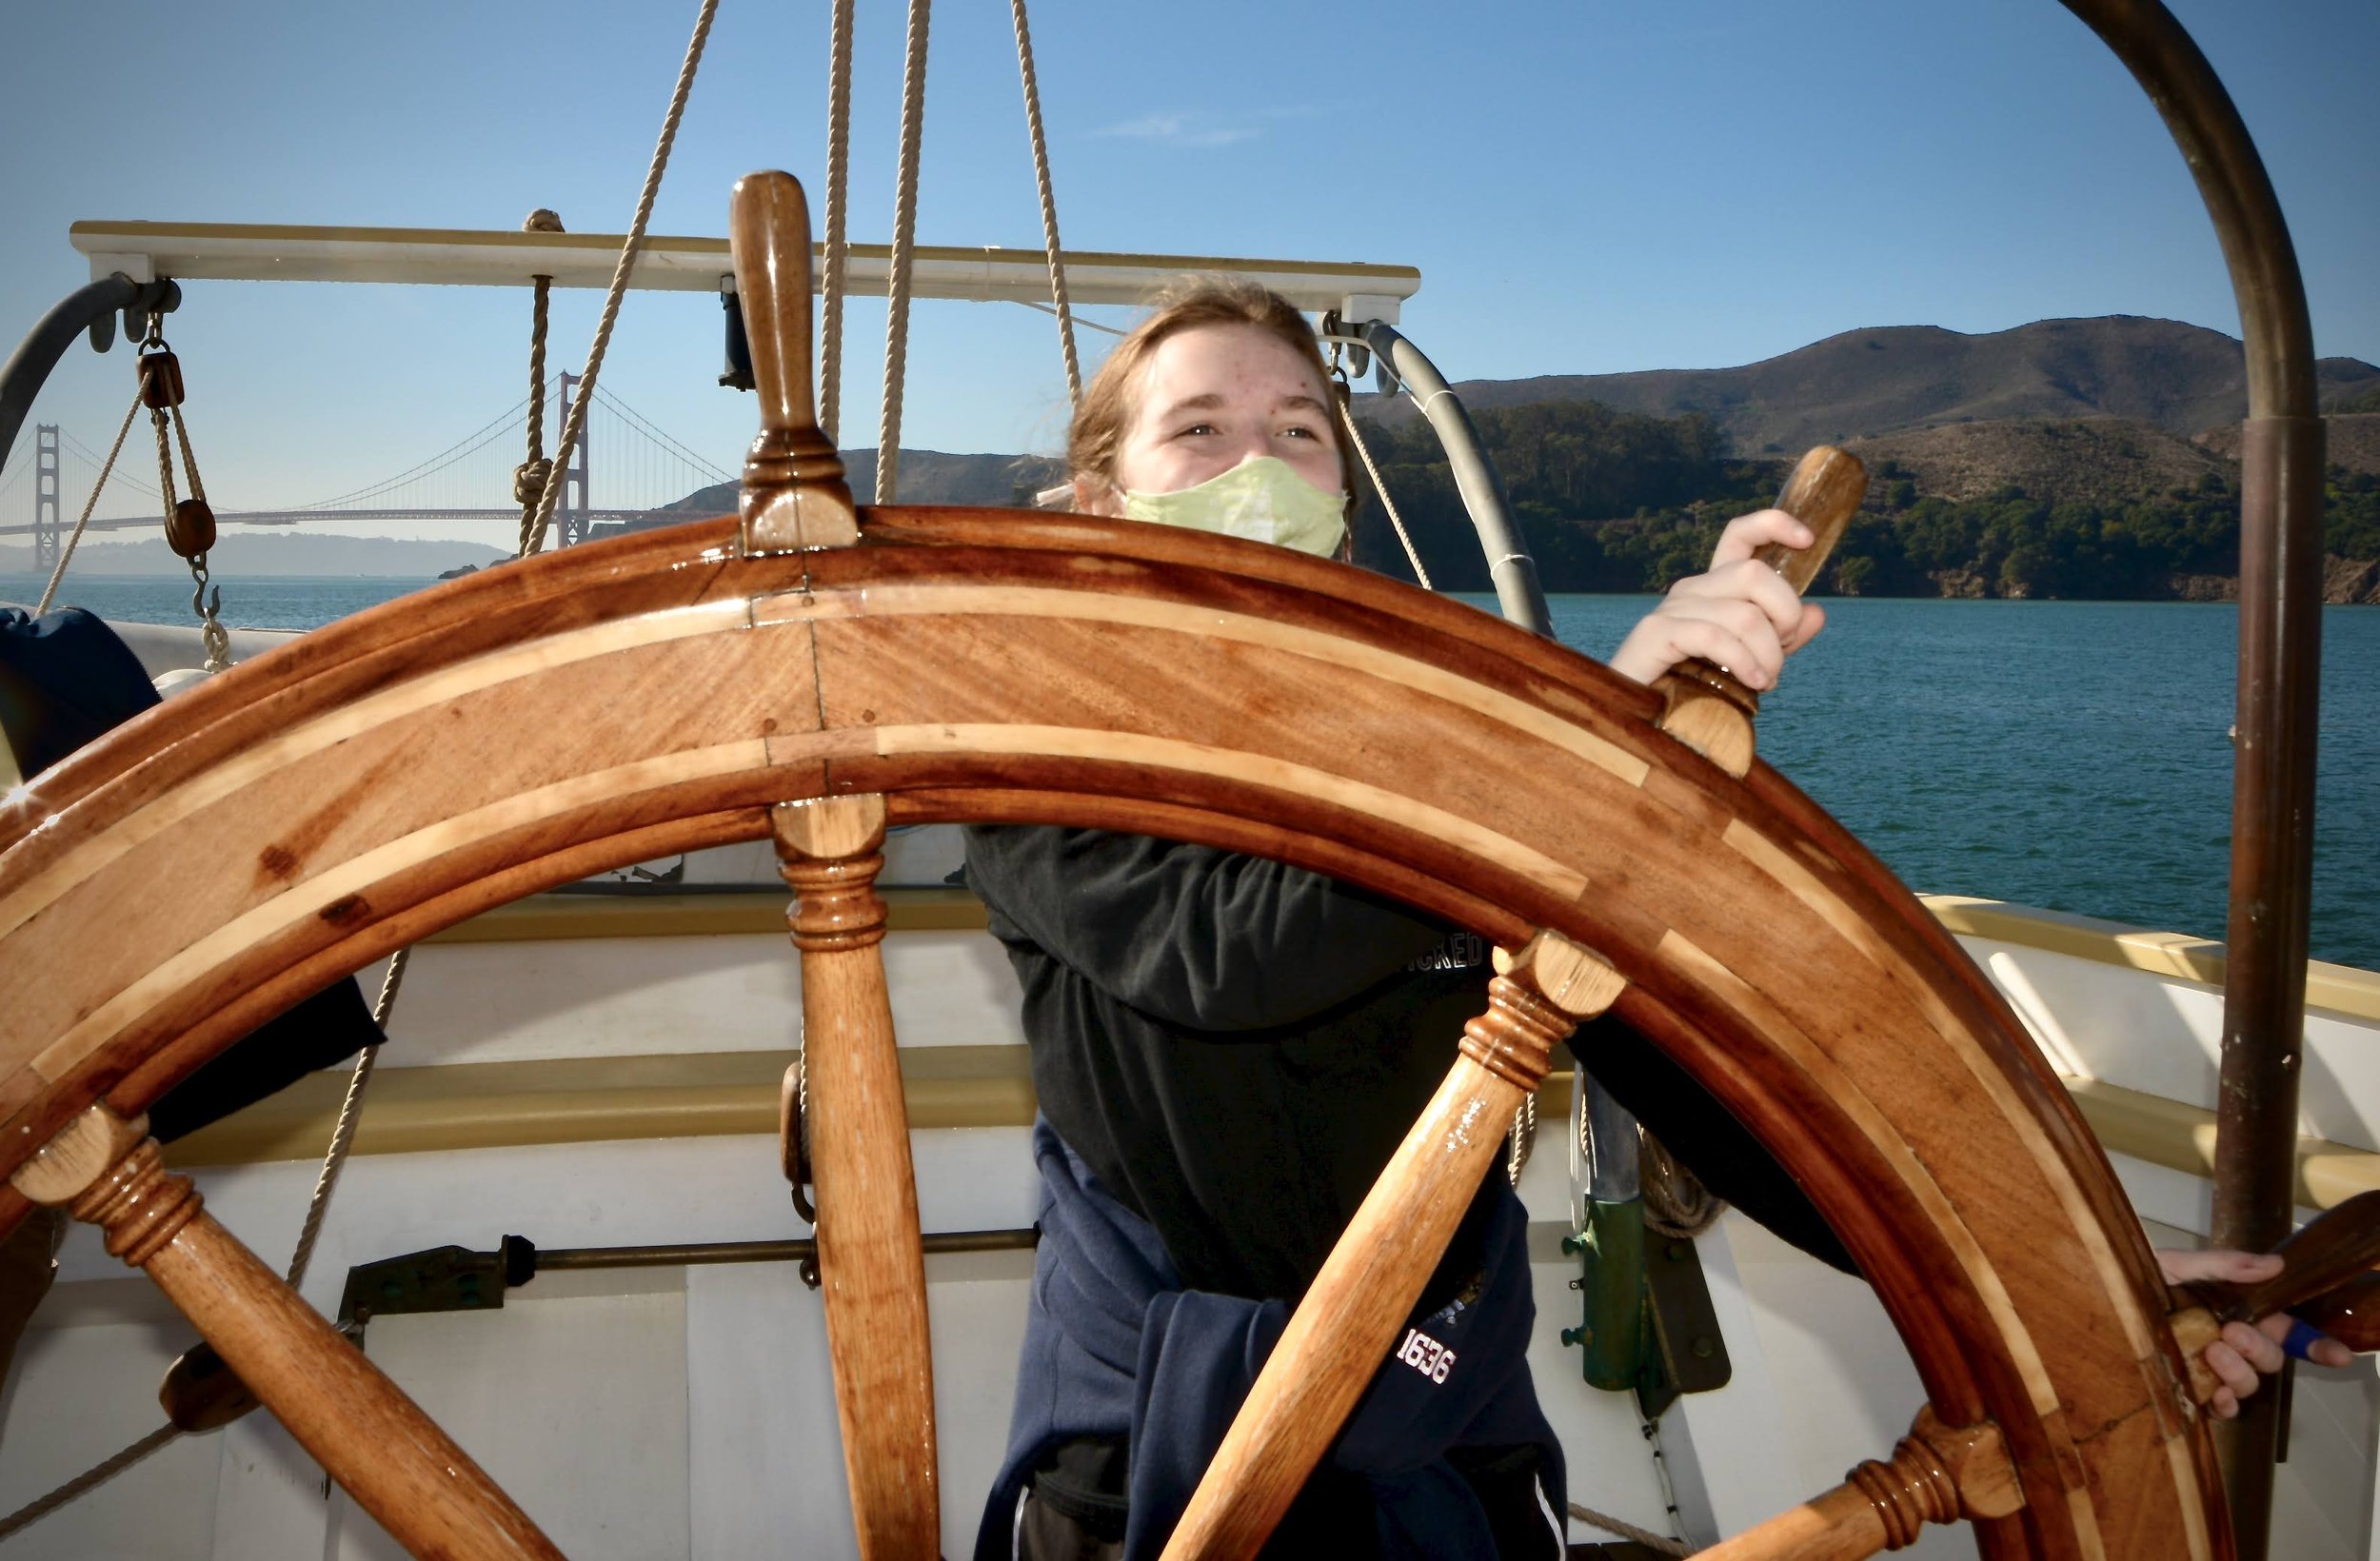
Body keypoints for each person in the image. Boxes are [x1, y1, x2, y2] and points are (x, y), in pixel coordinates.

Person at [963, 278, 2339, 1561]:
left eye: (1299, 430)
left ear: (1341, 486)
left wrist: (2088, 1279)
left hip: (1450, 1446)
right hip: (1150, 1459)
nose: (1255, 466)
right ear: (1102, 498)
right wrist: (1589, 749)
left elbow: (1709, 1085)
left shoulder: (1446, 750)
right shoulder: (1026, 752)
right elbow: (1233, 961)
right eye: (1197, 430)